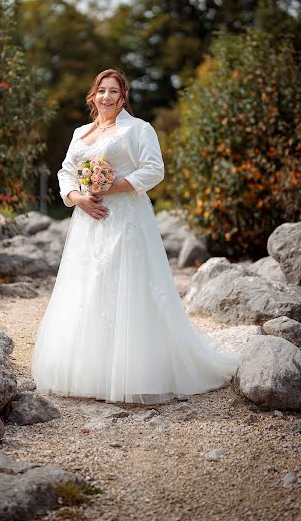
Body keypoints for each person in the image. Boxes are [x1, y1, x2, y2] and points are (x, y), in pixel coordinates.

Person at [31, 68, 240, 404]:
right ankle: (91, 372)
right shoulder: (80, 133)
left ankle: (135, 371)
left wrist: (113, 186)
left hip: (125, 219)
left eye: (114, 91)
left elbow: (154, 169)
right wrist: (78, 198)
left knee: (126, 286)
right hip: (88, 221)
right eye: (101, 90)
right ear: (93, 95)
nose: (107, 97)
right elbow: (66, 171)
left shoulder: (138, 129)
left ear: (124, 96)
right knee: (88, 286)